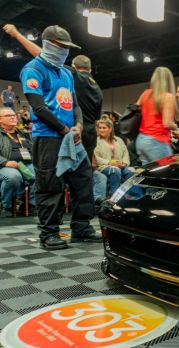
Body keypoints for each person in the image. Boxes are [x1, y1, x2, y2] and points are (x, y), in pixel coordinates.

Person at [20, 25, 100, 250]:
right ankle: (49, 233)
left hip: (71, 136)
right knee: (50, 184)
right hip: (48, 138)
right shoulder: (32, 69)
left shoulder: (66, 72)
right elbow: (39, 108)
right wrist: (65, 130)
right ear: (47, 43)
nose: (65, 50)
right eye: (61, 46)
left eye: (67, 47)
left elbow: (75, 105)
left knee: (83, 179)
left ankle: (81, 227)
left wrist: (78, 126)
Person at [3, 25, 103, 164]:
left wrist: (16, 34)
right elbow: (96, 116)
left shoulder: (70, 74)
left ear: (73, 67)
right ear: (90, 69)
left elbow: (42, 56)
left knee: (53, 177)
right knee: (78, 175)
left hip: (67, 131)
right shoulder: (96, 87)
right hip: (84, 131)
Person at [135, 67, 179, 164]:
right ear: (168, 80)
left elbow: (135, 111)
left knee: (149, 174)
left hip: (141, 140)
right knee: (168, 173)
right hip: (156, 140)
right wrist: (176, 126)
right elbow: (167, 123)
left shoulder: (145, 93)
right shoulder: (168, 97)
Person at [0, 107, 35, 217]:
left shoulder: (23, 133)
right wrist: (5, 162)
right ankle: (7, 206)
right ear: (0, 120)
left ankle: (31, 204)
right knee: (14, 177)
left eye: (14, 115)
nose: (13, 117)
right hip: (5, 166)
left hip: (26, 164)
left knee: (42, 174)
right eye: (8, 115)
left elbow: (32, 148)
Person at [94, 117, 133, 196]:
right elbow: (95, 157)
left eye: (104, 128)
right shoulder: (96, 141)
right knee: (115, 170)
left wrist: (124, 163)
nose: (101, 130)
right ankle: (114, 195)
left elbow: (125, 153)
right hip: (103, 166)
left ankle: (129, 195)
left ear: (110, 128)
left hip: (119, 165)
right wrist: (109, 162)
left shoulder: (118, 140)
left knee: (130, 172)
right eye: (100, 128)